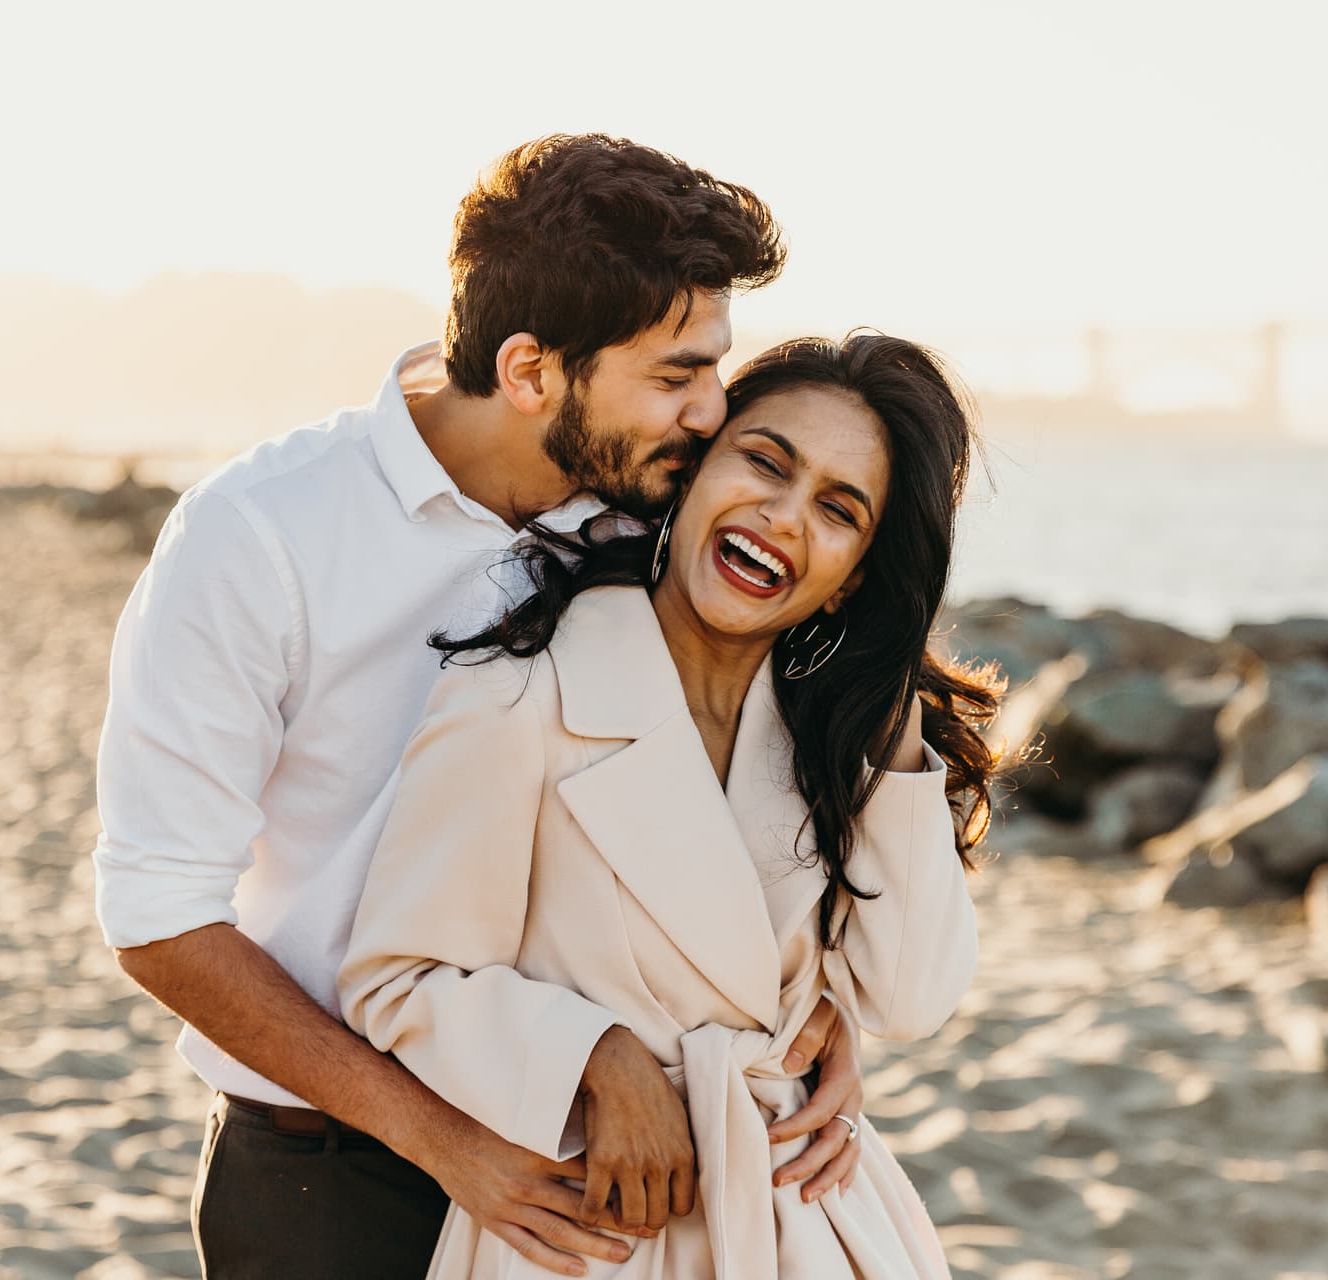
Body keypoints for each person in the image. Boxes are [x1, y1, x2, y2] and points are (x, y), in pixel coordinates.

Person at [91, 135, 872, 1279]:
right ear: (529, 371)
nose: (712, 413)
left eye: (716, 368)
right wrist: (446, 1141)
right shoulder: (258, 535)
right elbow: (158, 912)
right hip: (334, 1178)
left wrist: (821, 1014)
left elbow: (744, 784)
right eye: (674, 376)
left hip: (614, 1165)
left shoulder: (652, 523)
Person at [339, 333, 1004, 1277]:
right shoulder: (521, 696)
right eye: (765, 462)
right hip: (601, 1229)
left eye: (837, 511)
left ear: (851, 576)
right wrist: (594, 1055)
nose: (781, 516)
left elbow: (907, 997)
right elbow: (397, 980)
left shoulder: (830, 737)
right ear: (694, 471)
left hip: (810, 1212)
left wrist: (893, 712)